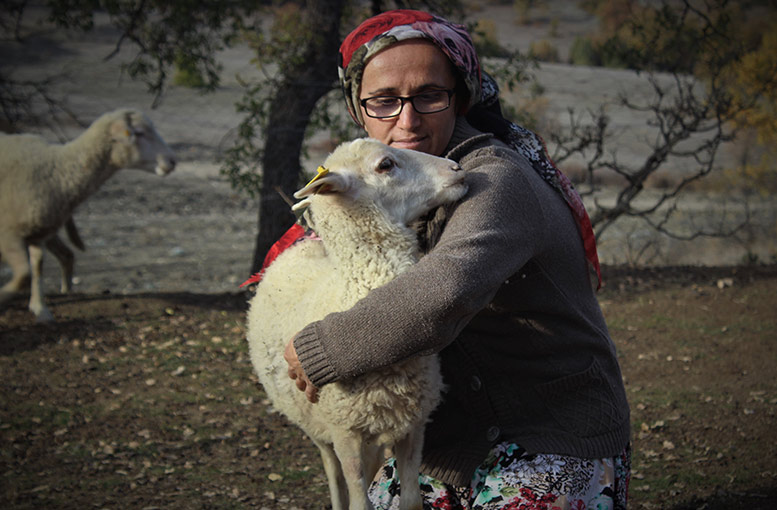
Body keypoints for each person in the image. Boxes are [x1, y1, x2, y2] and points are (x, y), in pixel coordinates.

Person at [282, 9, 631, 510]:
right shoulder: (380, 189)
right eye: (383, 101)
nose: (406, 120)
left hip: (552, 432)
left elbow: (448, 290)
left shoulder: (494, 180)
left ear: (460, 97)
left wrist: (322, 347)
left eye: (428, 95)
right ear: (359, 110)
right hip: (450, 446)